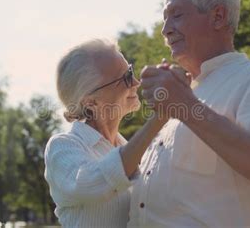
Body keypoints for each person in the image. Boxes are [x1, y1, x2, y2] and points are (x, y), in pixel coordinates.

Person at [129, 0, 250, 227]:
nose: (165, 30)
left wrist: (186, 106)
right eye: (164, 19)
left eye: (177, 15)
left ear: (218, 16)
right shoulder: (178, 94)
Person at [43, 39, 170, 227]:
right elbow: (91, 183)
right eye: (126, 77)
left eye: (131, 71)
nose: (136, 82)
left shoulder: (126, 147)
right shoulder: (62, 146)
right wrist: (160, 117)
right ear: (91, 102)